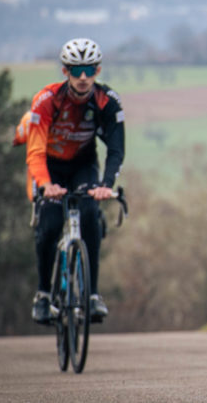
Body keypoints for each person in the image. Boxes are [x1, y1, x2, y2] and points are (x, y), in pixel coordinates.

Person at [24, 38, 125, 324]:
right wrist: (45, 184)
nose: (83, 77)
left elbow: (116, 150)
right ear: (65, 71)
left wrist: (106, 184)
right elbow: (34, 151)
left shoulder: (107, 101)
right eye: (77, 70)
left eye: (89, 70)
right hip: (49, 167)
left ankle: (92, 296)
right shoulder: (47, 100)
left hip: (83, 165)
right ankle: (43, 296)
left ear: (98, 70)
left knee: (91, 215)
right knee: (50, 225)